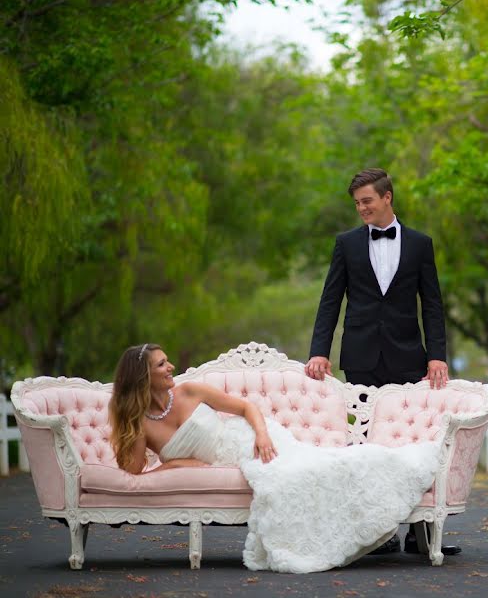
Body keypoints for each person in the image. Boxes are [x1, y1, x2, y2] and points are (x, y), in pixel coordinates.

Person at [108, 343, 441, 574]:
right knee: (295, 478)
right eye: (161, 365)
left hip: (252, 439)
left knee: (319, 466)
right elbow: (135, 470)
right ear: (142, 376)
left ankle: (392, 464)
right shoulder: (141, 424)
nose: (171, 368)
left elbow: (245, 408)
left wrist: (263, 434)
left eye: (167, 361)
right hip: (230, 461)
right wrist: (174, 461)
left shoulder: (189, 391)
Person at [305, 167, 460, 556]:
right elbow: (330, 300)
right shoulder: (346, 244)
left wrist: (437, 355)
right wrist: (318, 350)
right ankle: (376, 532)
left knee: (413, 443)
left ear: (387, 197)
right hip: (360, 356)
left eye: (367, 201)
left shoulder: (421, 245)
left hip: (409, 356)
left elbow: (433, 304)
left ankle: (419, 534)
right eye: (357, 203)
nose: (362, 209)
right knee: (366, 444)